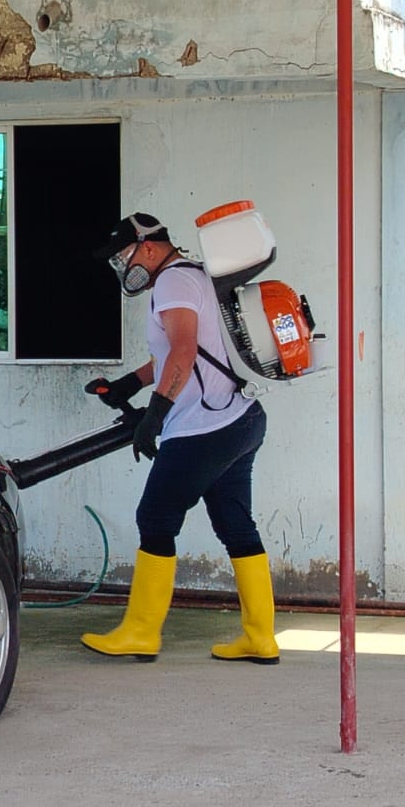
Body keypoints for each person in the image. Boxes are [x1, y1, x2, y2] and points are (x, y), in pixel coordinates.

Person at [80, 211, 278, 664]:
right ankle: (260, 637)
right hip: (240, 420)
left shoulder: (171, 282)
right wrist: (129, 384)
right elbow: (179, 351)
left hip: (203, 428)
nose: (122, 267)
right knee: (234, 524)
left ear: (149, 248)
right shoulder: (195, 275)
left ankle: (141, 631)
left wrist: (155, 415)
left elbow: (184, 351)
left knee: (155, 517)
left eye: (123, 256)